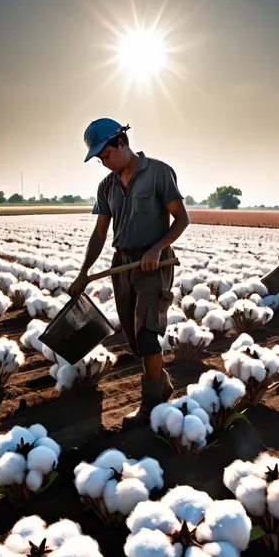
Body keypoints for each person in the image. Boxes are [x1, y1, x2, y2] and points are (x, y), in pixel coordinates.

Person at [69, 118, 189, 422]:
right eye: (99, 160)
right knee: (135, 341)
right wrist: (84, 272)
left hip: (153, 264)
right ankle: (161, 387)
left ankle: (150, 407)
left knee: (148, 334)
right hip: (122, 265)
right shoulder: (106, 187)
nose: (104, 163)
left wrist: (157, 247)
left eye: (106, 155)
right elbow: (99, 234)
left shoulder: (159, 173)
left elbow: (182, 219)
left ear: (120, 141)